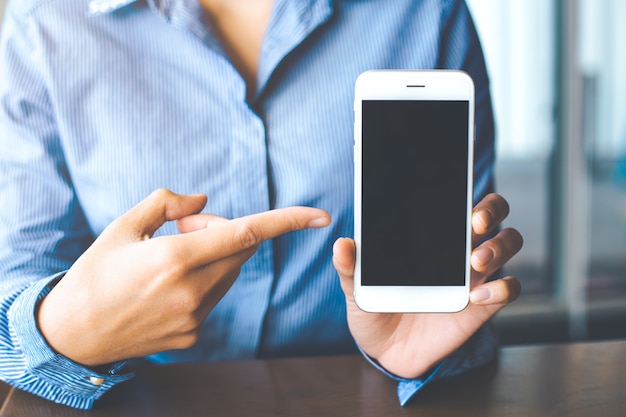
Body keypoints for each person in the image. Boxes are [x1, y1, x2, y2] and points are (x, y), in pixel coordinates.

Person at [0, 0, 523, 410]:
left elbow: (459, 250)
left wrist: (414, 359)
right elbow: (17, 273)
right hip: (133, 400)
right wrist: (61, 331)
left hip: (364, 395)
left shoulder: (425, 11)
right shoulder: (46, 21)